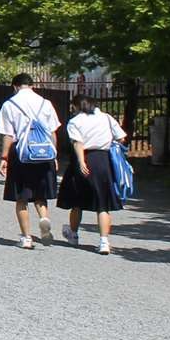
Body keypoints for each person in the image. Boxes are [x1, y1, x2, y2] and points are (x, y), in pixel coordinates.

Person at [0, 73, 61, 248]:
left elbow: (8, 135)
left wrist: (4, 157)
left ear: (15, 86)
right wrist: (54, 155)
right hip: (44, 152)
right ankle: (44, 218)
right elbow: (53, 132)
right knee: (40, 194)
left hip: (21, 153)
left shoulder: (10, 104)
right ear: (32, 86)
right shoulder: (45, 103)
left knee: (21, 197)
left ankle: (26, 238)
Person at [59, 94, 125, 254]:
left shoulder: (75, 121)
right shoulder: (106, 118)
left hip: (83, 159)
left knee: (77, 201)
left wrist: (82, 162)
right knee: (103, 204)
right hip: (103, 160)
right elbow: (122, 138)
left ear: (76, 106)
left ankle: (73, 235)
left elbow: (78, 143)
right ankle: (104, 242)